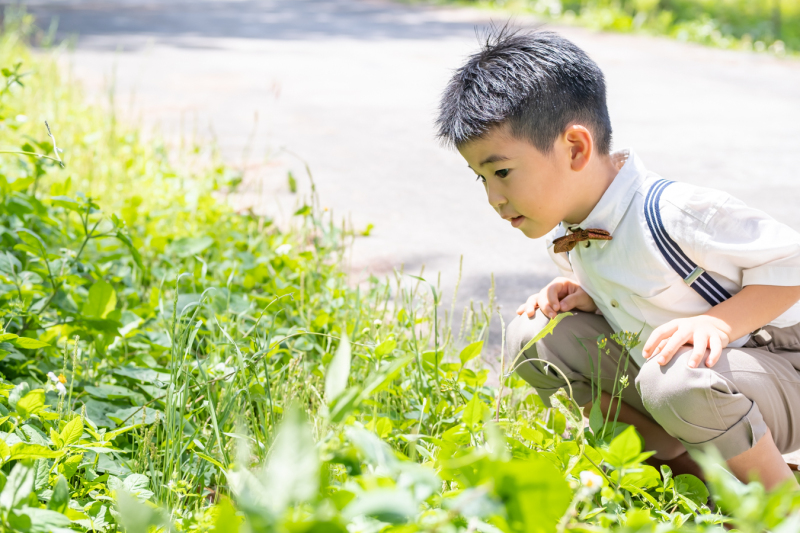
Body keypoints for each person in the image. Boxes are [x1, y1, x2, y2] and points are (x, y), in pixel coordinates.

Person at [436, 28, 800, 490]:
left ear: (575, 148)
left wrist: (720, 323)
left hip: (777, 368)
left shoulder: (673, 212)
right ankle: (683, 476)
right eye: (481, 179)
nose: (494, 198)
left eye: (502, 172)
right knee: (535, 334)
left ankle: (780, 503)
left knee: (675, 378)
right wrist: (591, 296)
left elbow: (792, 266)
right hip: (686, 381)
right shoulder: (578, 226)